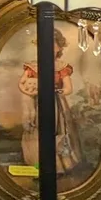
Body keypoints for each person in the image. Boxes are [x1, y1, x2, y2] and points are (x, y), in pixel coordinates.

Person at [19, 27, 84, 176]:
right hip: (36, 103)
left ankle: (59, 167)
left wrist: (56, 92)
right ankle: (37, 165)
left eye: (53, 47)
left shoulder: (62, 67)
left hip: (56, 104)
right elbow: (21, 84)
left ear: (59, 48)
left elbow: (68, 88)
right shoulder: (32, 67)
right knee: (35, 130)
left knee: (58, 132)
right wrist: (29, 92)